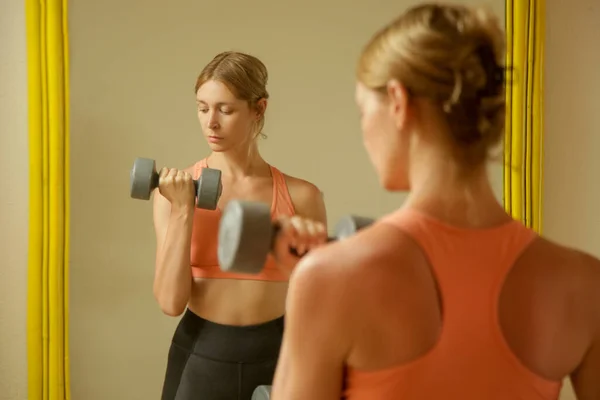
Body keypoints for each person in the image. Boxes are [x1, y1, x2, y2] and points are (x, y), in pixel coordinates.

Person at [270, 3, 600, 400]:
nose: (364, 133)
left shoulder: (326, 279)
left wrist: (316, 291)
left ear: (397, 101)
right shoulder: (585, 283)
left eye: (363, 111)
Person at [152, 51, 327, 400]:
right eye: (203, 108)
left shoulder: (302, 197)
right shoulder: (173, 192)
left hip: (279, 354)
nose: (210, 122)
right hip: (201, 356)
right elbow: (171, 303)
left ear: (259, 108)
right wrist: (185, 210)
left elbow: (317, 303)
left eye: (226, 109)